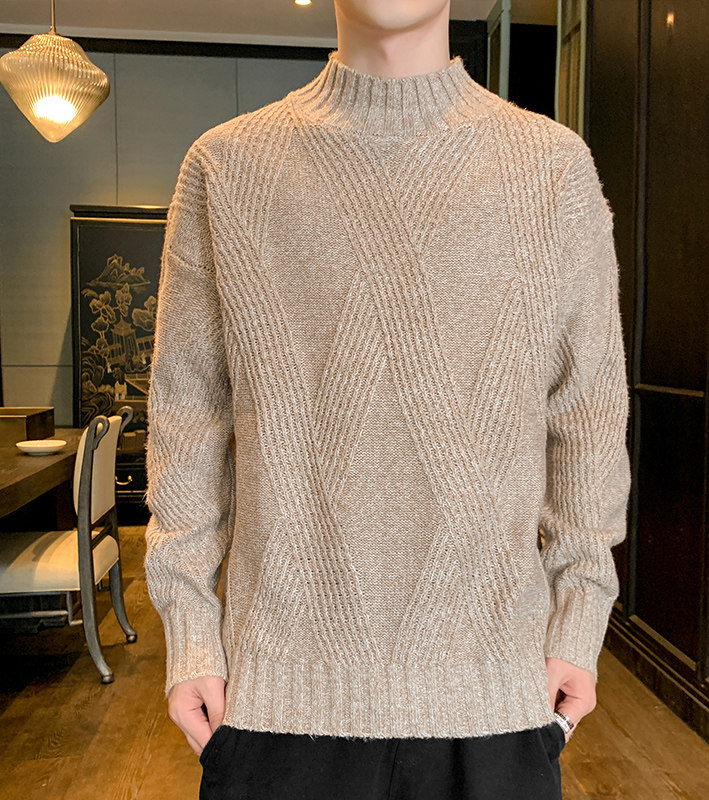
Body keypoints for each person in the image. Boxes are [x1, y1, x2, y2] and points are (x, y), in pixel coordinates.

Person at [142, 0, 631, 797]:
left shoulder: (552, 169)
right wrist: (191, 631)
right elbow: (187, 419)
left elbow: (588, 415)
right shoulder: (226, 168)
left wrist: (580, 616)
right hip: (276, 703)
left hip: (495, 696)